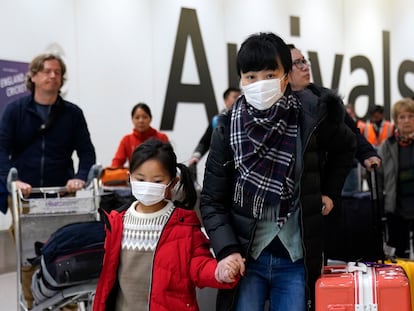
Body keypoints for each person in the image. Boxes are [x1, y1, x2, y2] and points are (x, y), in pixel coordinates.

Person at [200, 32, 356, 311]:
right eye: (250, 76)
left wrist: (330, 192)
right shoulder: (226, 129)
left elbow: (347, 146)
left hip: (296, 259)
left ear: (286, 76)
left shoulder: (311, 118)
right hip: (247, 260)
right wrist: (227, 250)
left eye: (270, 74)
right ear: (241, 80)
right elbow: (212, 201)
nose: (260, 84)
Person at [93, 139, 240, 311]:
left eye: (157, 181)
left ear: (173, 182)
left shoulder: (184, 225)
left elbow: (199, 265)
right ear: (129, 177)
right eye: (140, 178)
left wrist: (219, 272)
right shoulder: (116, 222)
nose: (147, 186)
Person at [0, 53, 96, 309]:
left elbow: (86, 152)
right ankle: (34, 304)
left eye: (57, 72)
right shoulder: (15, 111)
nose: (53, 76)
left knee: (65, 252)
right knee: (28, 255)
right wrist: (14, 180)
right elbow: (1, 149)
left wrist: (79, 177)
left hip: (60, 195)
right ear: (32, 76)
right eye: (46, 71)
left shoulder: (72, 114)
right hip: (25, 197)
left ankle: (69, 305)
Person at [288, 44, 381, 197]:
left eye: (305, 61)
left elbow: (351, 132)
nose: (305, 67)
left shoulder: (326, 99)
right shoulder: (275, 105)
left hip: (324, 190)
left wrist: (367, 153)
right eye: (297, 63)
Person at [378, 98, 414, 258]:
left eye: (411, 116)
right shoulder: (387, 145)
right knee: (399, 258)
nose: (407, 120)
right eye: (402, 117)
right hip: (396, 208)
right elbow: (378, 177)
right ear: (396, 120)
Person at [188, 87, 241, 166]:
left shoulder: (249, 119)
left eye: (241, 97)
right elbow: (204, 142)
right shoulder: (217, 121)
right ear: (226, 101)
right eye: (235, 96)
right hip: (222, 167)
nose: (239, 99)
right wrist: (195, 157)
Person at [111, 102, 169, 168]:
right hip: (135, 176)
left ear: (150, 118)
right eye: (137, 117)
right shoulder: (127, 140)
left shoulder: (161, 137)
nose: (141, 121)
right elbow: (116, 163)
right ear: (132, 119)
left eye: (145, 117)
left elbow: (168, 162)